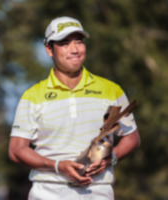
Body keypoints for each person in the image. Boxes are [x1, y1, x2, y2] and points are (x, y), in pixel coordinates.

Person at [8, 16, 140, 200]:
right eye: (64, 43)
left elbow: (132, 137)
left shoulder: (110, 90)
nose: (75, 49)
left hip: (99, 192)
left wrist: (111, 158)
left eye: (79, 41)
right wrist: (57, 166)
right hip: (48, 192)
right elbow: (16, 150)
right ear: (49, 49)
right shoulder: (32, 96)